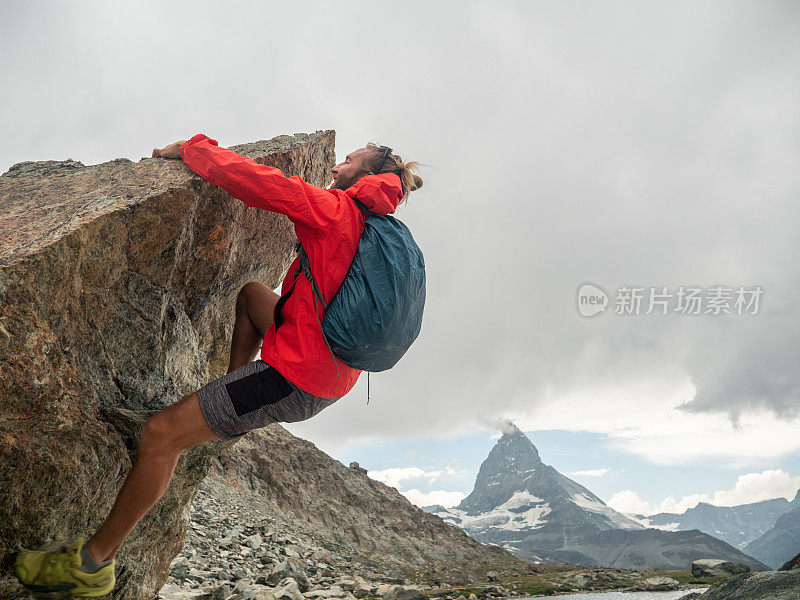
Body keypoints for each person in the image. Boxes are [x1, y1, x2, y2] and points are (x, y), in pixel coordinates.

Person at [14, 134, 423, 597]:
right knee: (252, 296)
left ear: (365, 175)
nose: (335, 169)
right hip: (325, 364)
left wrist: (190, 148)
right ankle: (227, 399)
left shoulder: (337, 212)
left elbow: (257, 182)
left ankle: (93, 564)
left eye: (347, 162)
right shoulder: (380, 227)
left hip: (295, 377)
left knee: (159, 435)